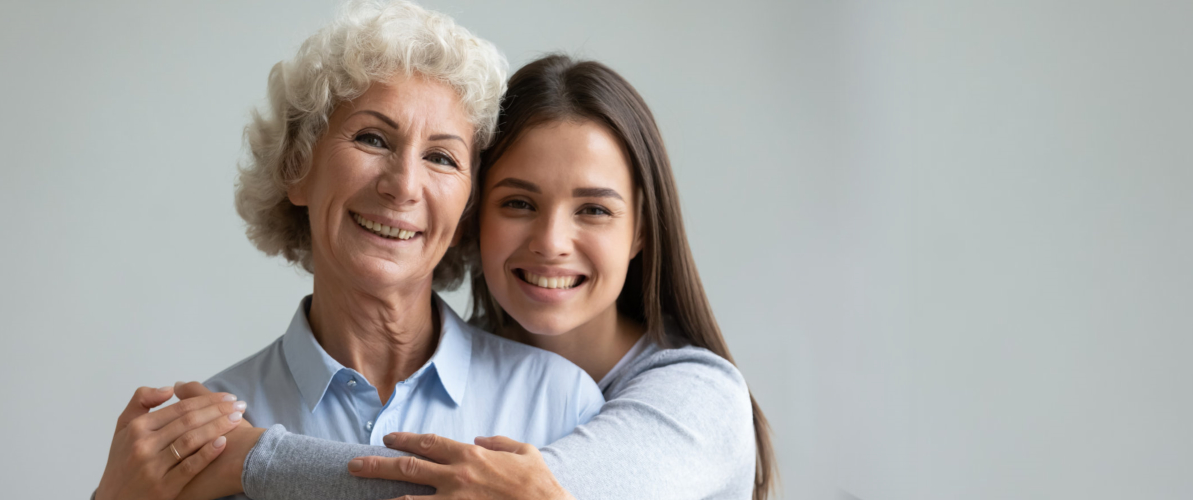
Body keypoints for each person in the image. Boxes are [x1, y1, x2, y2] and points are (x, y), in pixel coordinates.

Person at [174, 55, 779, 500]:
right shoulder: (222, 402)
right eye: (517, 203)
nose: (550, 242)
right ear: (472, 215)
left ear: (642, 231)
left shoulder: (698, 399)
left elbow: (509, 492)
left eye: (593, 209)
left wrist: (256, 457)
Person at [90, 2, 605, 500]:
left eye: (441, 157)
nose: (403, 186)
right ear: (296, 166)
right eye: (373, 139)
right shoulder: (202, 437)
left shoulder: (559, 402)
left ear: (467, 205)